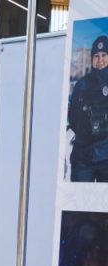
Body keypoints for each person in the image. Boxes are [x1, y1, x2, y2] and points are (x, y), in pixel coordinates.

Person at [68, 36, 108, 182]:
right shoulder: (81, 85)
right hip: (83, 158)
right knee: (79, 203)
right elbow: (72, 118)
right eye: (96, 56)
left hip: (106, 159)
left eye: (104, 55)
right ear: (92, 59)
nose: (100, 60)